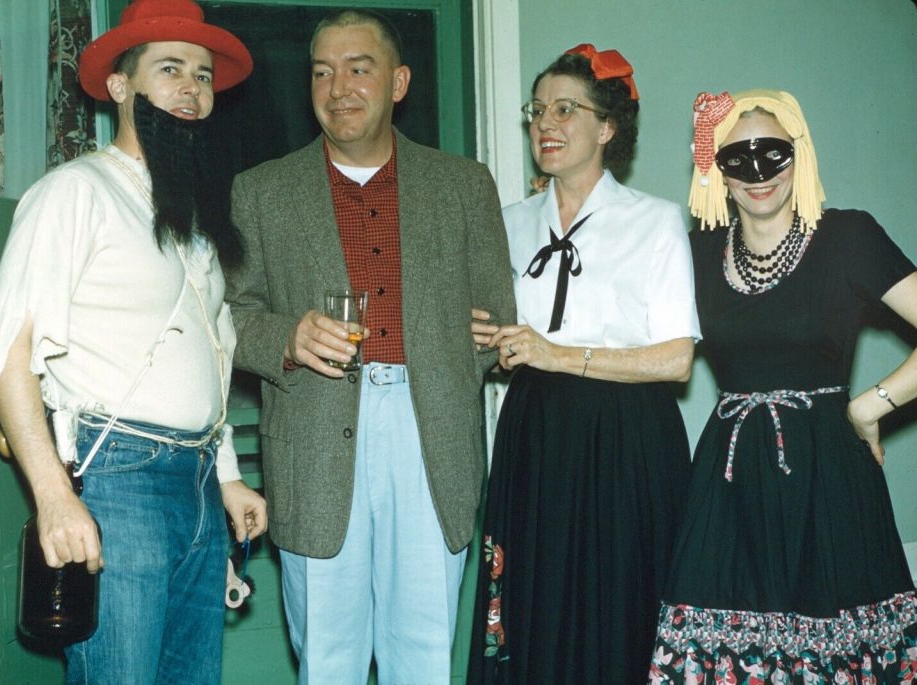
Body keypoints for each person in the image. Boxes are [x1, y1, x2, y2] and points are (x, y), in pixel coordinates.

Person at [0, 1, 267, 682]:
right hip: (119, 477)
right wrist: (54, 496)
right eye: (169, 69)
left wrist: (226, 477)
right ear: (122, 85)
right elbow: (9, 354)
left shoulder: (191, 212)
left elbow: (210, 356)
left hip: (193, 485)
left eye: (202, 74)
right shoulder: (74, 192)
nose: (191, 88)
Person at [226, 8, 515, 683]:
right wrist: (289, 336)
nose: (338, 87)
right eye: (322, 72)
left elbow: (495, 318)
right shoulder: (261, 191)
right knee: (328, 659)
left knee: (423, 657)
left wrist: (451, 352)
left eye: (359, 69)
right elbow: (230, 318)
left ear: (399, 82)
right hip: (315, 441)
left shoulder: (464, 186)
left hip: (431, 436)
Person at [650, 89, 917, 683]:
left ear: (800, 156)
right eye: (736, 157)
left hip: (830, 476)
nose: (757, 173)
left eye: (772, 152)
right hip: (728, 480)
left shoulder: (848, 237)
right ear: (715, 171)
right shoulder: (693, 252)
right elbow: (629, 330)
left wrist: (875, 403)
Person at [467, 45, 700, 684]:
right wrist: (485, 344)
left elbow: (677, 359)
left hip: (627, 438)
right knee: (533, 603)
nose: (546, 122)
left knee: (621, 604)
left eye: (566, 109)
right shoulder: (508, 224)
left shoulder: (653, 221)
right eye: (538, 109)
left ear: (606, 127)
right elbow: (498, 349)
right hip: (535, 436)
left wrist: (557, 353)